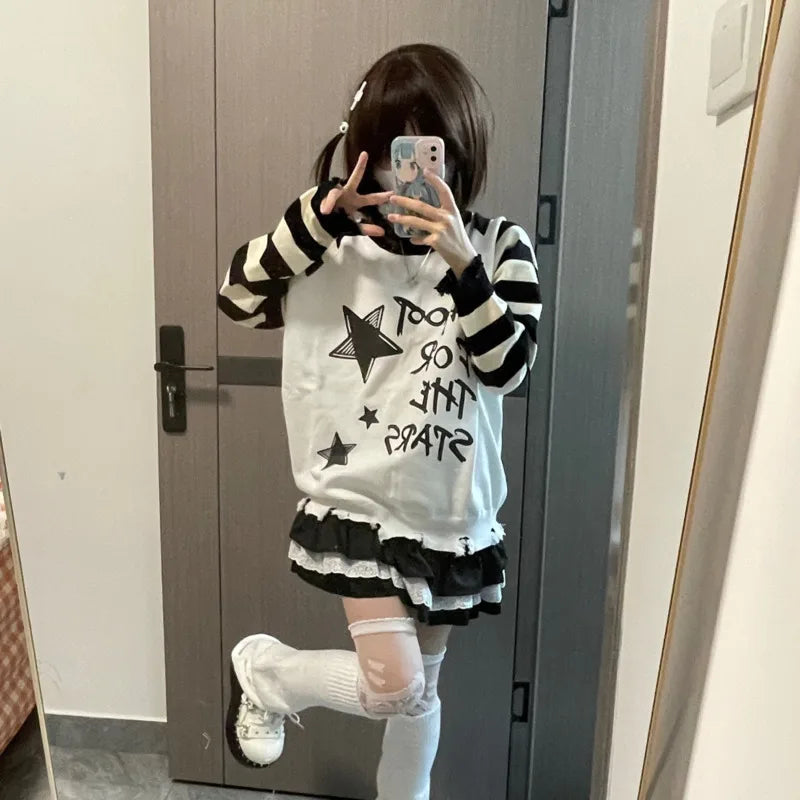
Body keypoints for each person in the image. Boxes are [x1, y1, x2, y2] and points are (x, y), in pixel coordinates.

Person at [217, 42, 541, 800]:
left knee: (419, 693)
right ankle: (266, 674)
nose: (411, 176)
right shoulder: (327, 249)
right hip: (360, 503)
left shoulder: (499, 248)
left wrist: (463, 267)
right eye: (396, 151)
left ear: (460, 151)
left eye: (431, 152)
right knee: (395, 687)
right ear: (362, 150)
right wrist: (317, 220)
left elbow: (508, 369)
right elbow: (236, 298)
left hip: (449, 514)